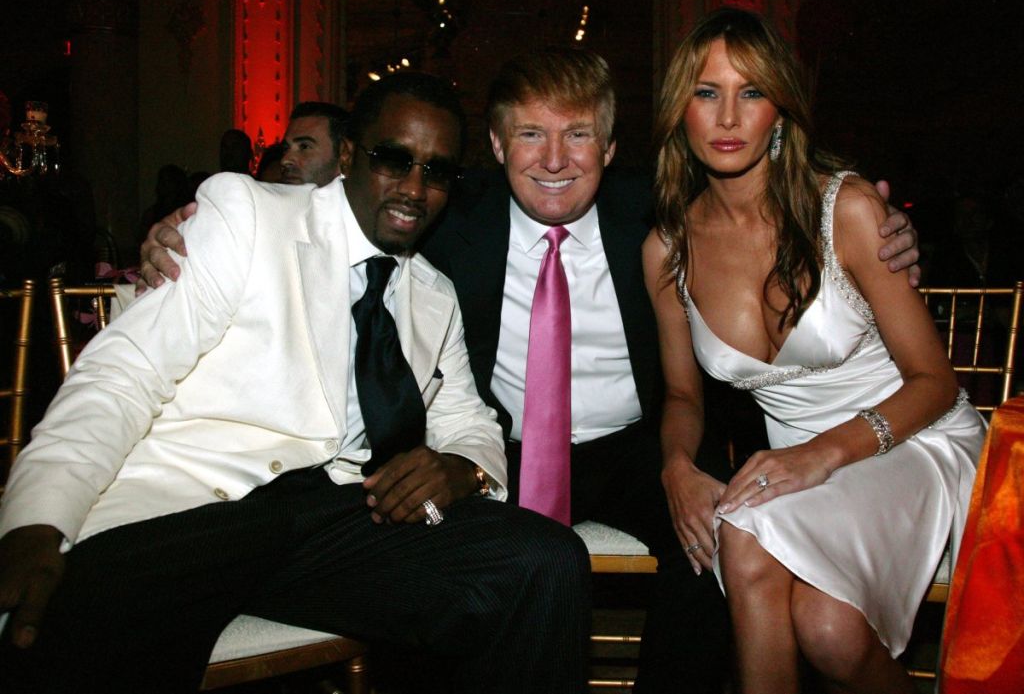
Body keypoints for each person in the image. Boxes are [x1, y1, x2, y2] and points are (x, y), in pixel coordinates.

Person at [138, 50, 923, 694]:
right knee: (438, 553)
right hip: (497, 448)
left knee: (713, 546)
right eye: (531, 136)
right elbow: (332, 208)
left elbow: (776, 204)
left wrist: (889, 226)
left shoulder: (657, 213)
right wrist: (182, 229)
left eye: (578, 135)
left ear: (608, 149)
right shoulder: (445, 214)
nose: (554, 161)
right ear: (494, 146)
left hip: (637, 445)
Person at [0, 72, 590, 694]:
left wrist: (461, 469)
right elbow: (125, 374)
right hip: (196, 513)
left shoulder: (434, 294)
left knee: (545, 562)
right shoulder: (248, 214)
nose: (415, 189)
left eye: (437, 172)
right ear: (347, 155)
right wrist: (36, 522)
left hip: (339, 520)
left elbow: (470, 422)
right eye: (393, 159)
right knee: (65, 630)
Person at [642, 8, 985, 694]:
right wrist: (676, 466)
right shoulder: (666, 249)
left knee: (744, 529)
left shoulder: (846, 209)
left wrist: (821, 454)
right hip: (799, 470)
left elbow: (935, 382)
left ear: (780, 110)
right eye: (707, 92)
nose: (728, 117)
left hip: (913, 440)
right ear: (681, 108)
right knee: (829, 633)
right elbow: (682, 395)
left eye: (751, 92)